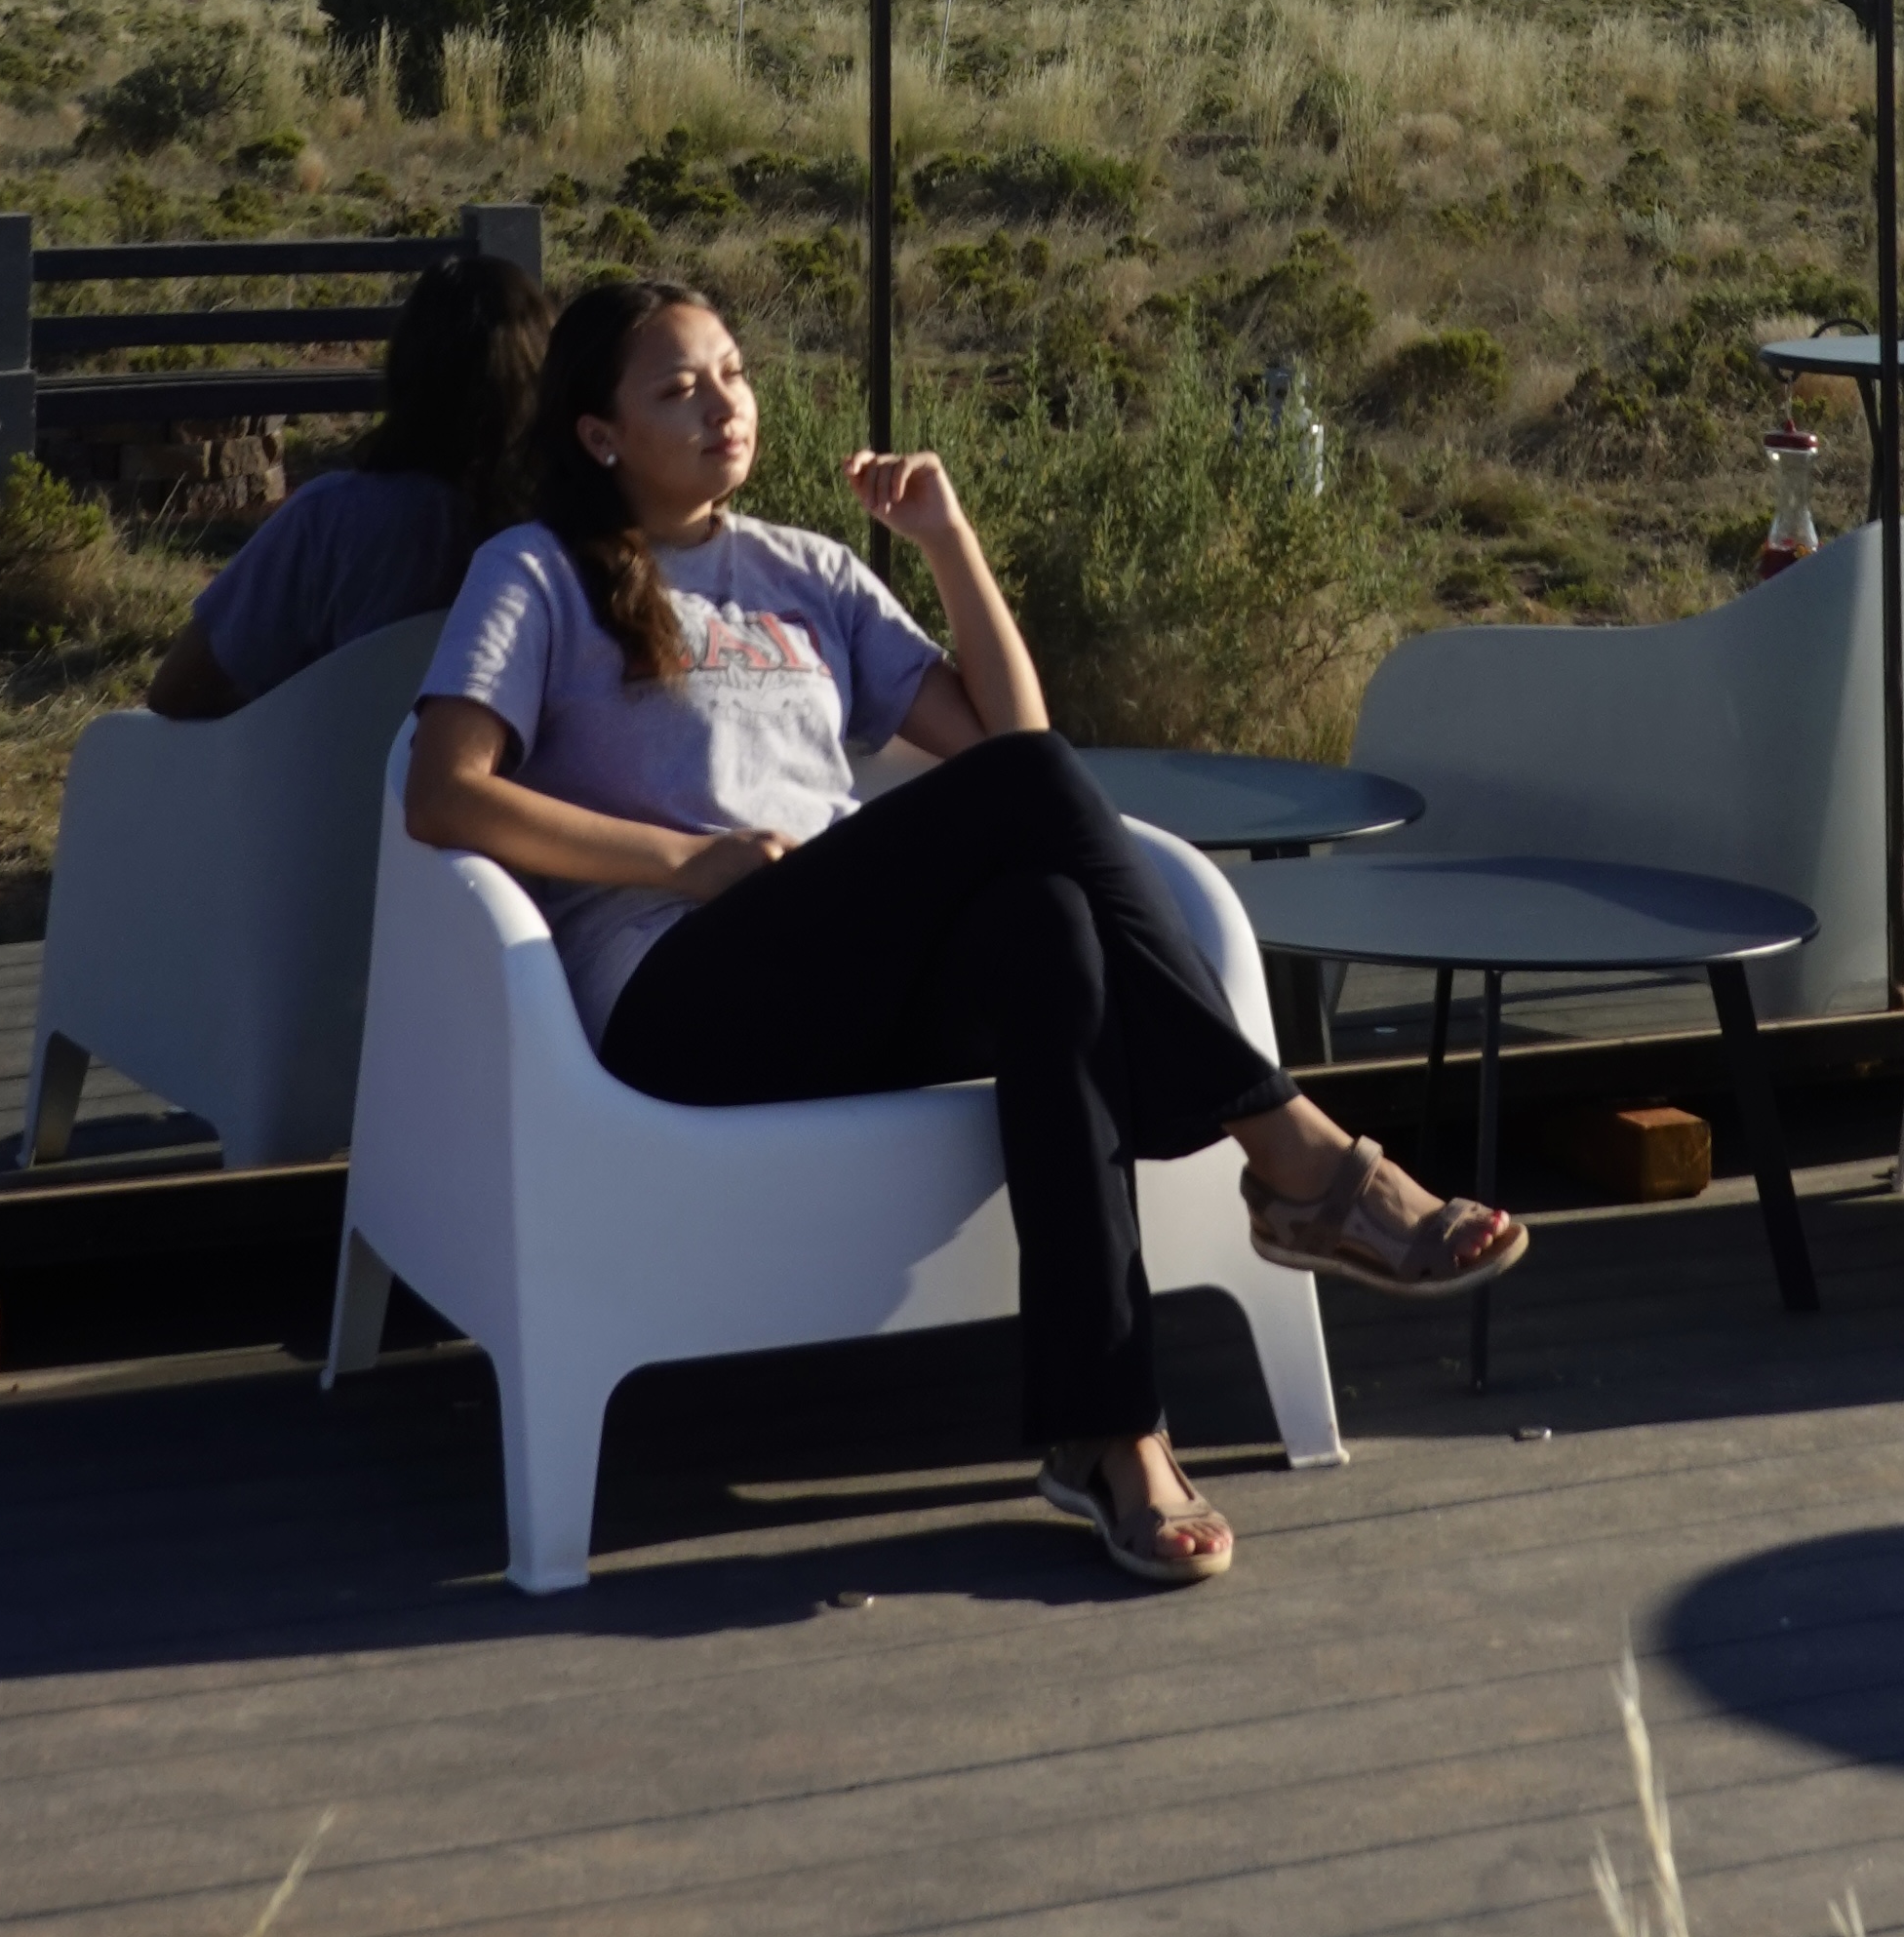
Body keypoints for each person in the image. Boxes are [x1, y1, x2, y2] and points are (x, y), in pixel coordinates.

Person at [404, 271, 1529, 1587]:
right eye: (679, 388)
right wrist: (687, 862)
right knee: (1029, 810)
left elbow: (1014, 749)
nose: (726, 406)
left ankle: (1113, 1438)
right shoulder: (533, 573)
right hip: (683, 991)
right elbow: (443, 793)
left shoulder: (808, 571)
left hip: (848, 977)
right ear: (600, 434)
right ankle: (1294, 1154)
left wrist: (949, 542)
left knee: (1049, 927)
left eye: (735, 371)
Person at [147, 249, 551, 718]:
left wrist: (304, 714)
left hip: (334, 784)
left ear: (405, 368)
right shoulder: (573, 528)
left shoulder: (329, 521)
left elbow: (177, 690)